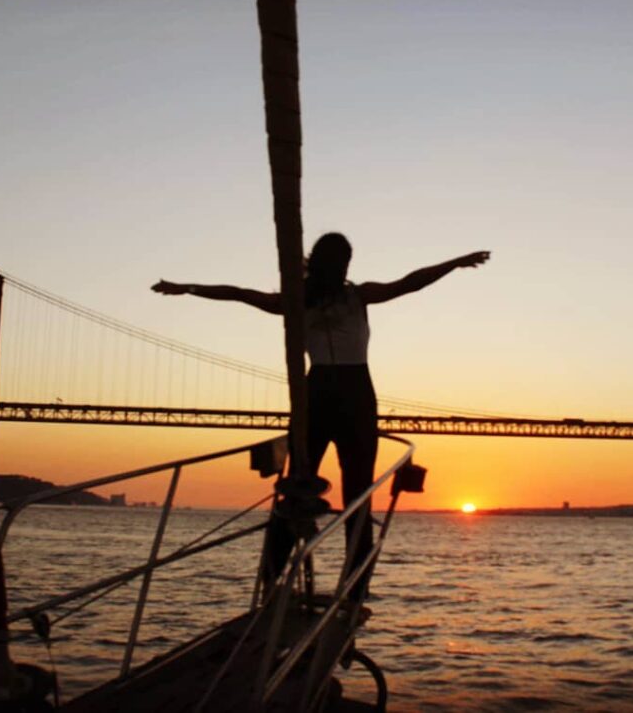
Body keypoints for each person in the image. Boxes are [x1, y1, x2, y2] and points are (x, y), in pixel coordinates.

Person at [152, 233, 490, 597]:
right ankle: (291, 579)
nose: (345, 268)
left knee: (342, 489)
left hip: (342, 394)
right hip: (333, 394)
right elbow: (241, 294)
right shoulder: (305, 301)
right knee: (314, 487)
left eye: (347, 261)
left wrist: (453, 263)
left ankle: (330, 582)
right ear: (330, 262)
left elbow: (408, 283)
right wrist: (188, 288)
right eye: (341, 261)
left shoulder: (345, 296)